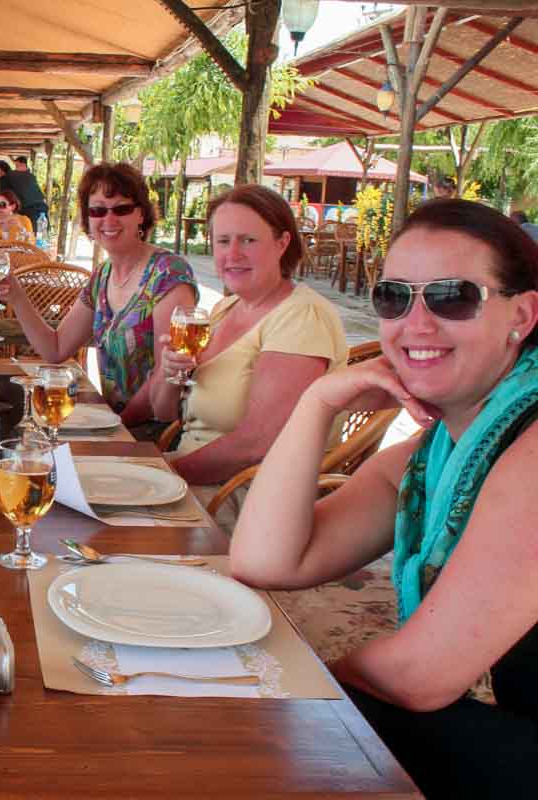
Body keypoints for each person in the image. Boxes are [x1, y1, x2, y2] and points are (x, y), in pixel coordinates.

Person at [229, 199, 538, 799]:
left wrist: (306, 685)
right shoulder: (437, 455)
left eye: (453, 297)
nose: (415, 324)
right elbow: (266, 562)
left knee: (282, 743)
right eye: (395, 297)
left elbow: (421, 676)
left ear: (522, 314)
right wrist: (316, 402)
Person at [160, 185, 347, 487]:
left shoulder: (301, 317)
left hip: (242, 495)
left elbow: (256, 444)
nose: (232, 254)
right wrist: (168, 372)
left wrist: (160, 478)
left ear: (282, 243)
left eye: (248, 240)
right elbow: (165, 411)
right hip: (191, 476)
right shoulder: (225, 308)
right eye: (223, 241)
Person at [0, 162, 196, 430]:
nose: (109, 219)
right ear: (88, 220)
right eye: (98, 210)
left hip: (154, 433)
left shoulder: (168, 274)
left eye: (122, 208)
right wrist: (17, 296)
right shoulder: (102, 276)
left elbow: (166, 376)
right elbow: (55, 349)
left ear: (141, 214)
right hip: (112, 424)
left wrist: (115, 425)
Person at [0, 158, 48, 229]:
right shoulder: (28, 175)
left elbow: (1, 201)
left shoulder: (3, 178)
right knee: (40, 236)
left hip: (28, 212)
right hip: (43, 210)